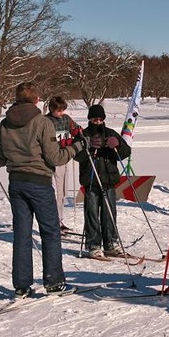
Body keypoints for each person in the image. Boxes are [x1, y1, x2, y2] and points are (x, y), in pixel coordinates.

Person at [0, 82, 86, 298]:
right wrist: (77, 146)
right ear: (36, 100)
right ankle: (54, 282)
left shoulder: (5, 123)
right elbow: (55, 158)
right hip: (39, 183)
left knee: (22, 234)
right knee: (50, 231)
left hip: (16, 184)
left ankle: (21, 285)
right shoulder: (42, 122)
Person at [75, 104, 131, 259]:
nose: (98, 122)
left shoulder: (111, 133)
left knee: (109, 213)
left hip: (108, 179)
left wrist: (117, 145)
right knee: (92, 213)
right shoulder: (83, 135)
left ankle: (111, 243)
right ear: (90, 119)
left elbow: (126, 152)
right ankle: (93, 244)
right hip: (91, 180)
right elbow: (76, 156)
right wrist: (88, 146)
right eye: (95, 119)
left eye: (100, 119)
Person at [45, 96, 81, 232]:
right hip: (51, 160)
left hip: (64, 158)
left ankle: (60, 221)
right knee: (54, 192)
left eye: (62, 110)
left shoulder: (66, 119)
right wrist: (60, 143)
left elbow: (76, 130)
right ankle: (53, 222)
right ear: (52, 109)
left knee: (63, 191)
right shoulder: (46, 121)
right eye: (58, 111)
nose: (60, 113)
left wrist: (78, 134)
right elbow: (47, 141)